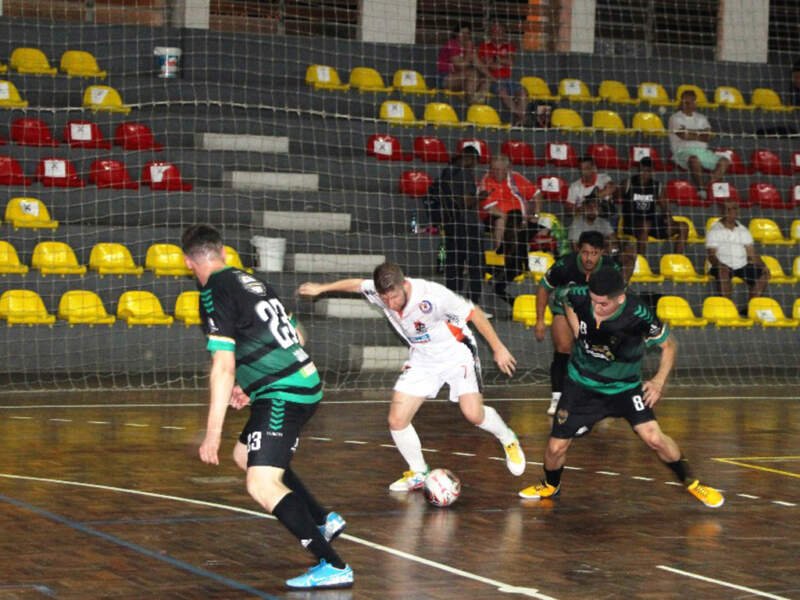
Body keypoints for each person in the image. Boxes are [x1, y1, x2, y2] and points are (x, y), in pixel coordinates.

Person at [182, 224, 353, 590]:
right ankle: (323, 519)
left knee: (261, 483)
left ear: (188, 262)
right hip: (297, 383)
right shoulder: (251, 282)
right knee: (246, 455)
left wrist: (212, 432)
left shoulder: (212, 293)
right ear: (224, 252)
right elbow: (298, 335)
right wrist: (251, 382)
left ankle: (333, 565)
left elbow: (223, 367)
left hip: (283, 394)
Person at [298, 262, 526, 491]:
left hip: (457, 353)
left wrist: (498, 348)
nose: (390, 304)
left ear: (404, 284)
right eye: (384, 298)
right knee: (397, 420)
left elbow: (474, 313)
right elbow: (357, 285)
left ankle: (507, 437)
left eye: (394, 297)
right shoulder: (381, 292)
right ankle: (418, 471)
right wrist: (321, 288)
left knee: (473, 414)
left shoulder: (432, 295)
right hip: (423, 358)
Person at [519, 266, 725, 509]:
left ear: (620, 297)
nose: (596, 308)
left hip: (624, 388)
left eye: (603, 304)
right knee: (555, 447)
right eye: (593, 301)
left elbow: (669, 346)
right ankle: (551, 485)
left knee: (654, 438)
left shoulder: (638, 314)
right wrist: (577, 329)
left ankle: (692, 482)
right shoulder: (580, 294)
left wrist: (658, 381)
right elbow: (562, 297)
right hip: (581, 385)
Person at [535, 231, 621, 416]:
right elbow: (543, 288)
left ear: (602, 253)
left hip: (595, 312)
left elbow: (619, 296)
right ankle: (557, 398)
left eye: (594, 253)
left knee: (601, 350)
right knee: (564, 347)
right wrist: (540, 320)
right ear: (578, 250)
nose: (589, 258)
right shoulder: (565, 265)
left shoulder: (610, 268)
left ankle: (600, 396)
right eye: (585, 252)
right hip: (564, 309)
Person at [478, 154, 544, 304]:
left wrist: (535, 214)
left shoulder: (516, 178)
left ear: (508, 169)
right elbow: (490, 208)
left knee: (543, 228)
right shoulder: (485, 181)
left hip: (520, 218)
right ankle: (502, 257)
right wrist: (512, 220)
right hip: (496, 218)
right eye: (494, 169)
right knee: (502, 221)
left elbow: (537, 194)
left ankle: (526, 268)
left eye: (501, 170)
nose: (497, 173)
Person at [427, 146, 484, 304]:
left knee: (453, 267)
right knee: (475, 267)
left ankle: (451, 303)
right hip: (468, 226)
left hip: (451, 225)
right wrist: (481, 197)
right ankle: (472, 305)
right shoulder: (464, 174)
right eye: (475, 161)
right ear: (471, 158)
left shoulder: (447, 172)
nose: (475, 165)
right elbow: (465, 202)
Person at [705, 201, 769, 313]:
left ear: (737, 211)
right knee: (723, 271)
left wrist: (763, 266)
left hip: (741, 266)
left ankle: (750, 308)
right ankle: (728, 309)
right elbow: (711, 255)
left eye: (733, 209)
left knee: (764, 274)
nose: (730, 212)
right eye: (727, 209)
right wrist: (720, 265)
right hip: (722, 265)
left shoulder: (743, 230)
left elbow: (752, 253)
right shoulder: (715, 229)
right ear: (722, 211)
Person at [620, 157, 689, 257]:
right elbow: (616, 198)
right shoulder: (628, 183)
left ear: (652, 172)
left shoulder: (656, 186)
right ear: (638, 170)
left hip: (651, 223)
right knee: (645, 225)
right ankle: (641, 260)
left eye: (648, 171)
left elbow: (664, 206)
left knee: (683, 226)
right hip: (632, 224)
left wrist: (668, 218)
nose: (644, 173)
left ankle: (677, 259)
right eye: (642, 170)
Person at [668, 89, 730, 189]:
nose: (688, 105)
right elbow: (683, 135)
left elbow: (708, 136)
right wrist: (700, 133)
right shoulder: (675, 118)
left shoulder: (702, 118)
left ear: (695, 103)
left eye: (691, 102)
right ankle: (701, 189)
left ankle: (708, 186)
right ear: (681, 103)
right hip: (682, 152)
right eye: (685, 102)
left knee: (724, 161)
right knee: (694, 159)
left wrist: (689, 132)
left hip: (702, 152)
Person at [477, 23, 528, 125]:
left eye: (500, 31)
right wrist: (501, 61)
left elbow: (510, 62)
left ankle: (519, 119)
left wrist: (495, 58)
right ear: (490, 33)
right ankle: (522, 117)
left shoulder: (509, 46)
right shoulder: (484, 46)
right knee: (503, 91)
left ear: (504, 33)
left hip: (508, 78)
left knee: (522, 92)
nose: (498, 33)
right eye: (495, 31)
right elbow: (488, 65)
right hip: (493, 79)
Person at [436, 23, 490, 104]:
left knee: (485, 79)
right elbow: (461, 67)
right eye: (463, 33)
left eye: (467, 33)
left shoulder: (469, 46)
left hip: (464, 80)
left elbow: (480, 66)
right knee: (472, 73)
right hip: (445, 78)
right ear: (456, 34)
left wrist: (494, 79)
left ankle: (478, 101)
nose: (465, 36)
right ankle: (471, 100)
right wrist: (468, 50)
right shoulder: (452, 44)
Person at [566, 156, 617, 226]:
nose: (583, 172)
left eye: (587, 168)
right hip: (584, 219)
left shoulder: (604, 178)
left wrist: (589, 201)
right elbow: (568, 211)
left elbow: (612, 188)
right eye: (581, 169)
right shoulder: (574, 186)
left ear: (593, 168)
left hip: (605, 217)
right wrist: (586, 208)